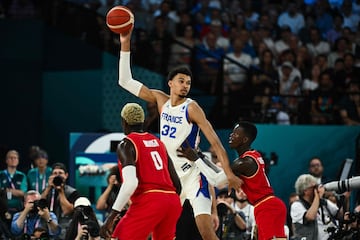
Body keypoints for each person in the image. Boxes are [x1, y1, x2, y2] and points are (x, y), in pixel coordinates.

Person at [116, 25, 241, 239]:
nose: (185, 86)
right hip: (170, 177)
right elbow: (125, 81)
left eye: (189, 83)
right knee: (163, 233)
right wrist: (125, 42)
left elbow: (215, 141)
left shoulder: (191, 107)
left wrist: (228, 173)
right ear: (170, 83)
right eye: (181, 81)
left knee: (206, 232)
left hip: (192, 173)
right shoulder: (160, 99)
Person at [178, 121, 287, 240]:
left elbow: (216, 181)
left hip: (266, 207)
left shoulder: (244, 162)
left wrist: (196, 160)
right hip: (270, 205)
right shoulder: (252, 155)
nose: (231, 136)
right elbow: (222, 173)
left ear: (245, 140)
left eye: (235, 134)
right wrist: (202, 157)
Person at [100, 103, 182, 240]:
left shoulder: (126, 144)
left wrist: (111, 216)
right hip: (172, 201)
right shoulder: (159, 143)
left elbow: (131, 183)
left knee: (119, 236)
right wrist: (165, 204)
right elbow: (177, 184)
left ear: (123, 122)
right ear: (143, 121)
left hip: (150, 200)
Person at [291, 174, 344, 240]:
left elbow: (339, 214)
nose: (317, 189)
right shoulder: (296, 205)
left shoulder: (323, 202)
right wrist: (317, 196)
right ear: (305, 191)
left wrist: (345, 198)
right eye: (314, 187)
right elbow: (310, 217)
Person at [41, 162, 80, 240]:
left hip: (64, 231)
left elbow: (67, 211)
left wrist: (61, 191)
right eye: (55, 173)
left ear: (66, 175)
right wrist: (48, 188)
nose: (57, 175)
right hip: (47, 229)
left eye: (60, 173)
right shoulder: (46, 191)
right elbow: (39, 204)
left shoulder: (73, 192)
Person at [0, 150, 28, 219]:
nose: (13, 160)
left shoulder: (22, 175)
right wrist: (16, 192)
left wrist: (7, 190)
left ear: (18, 160)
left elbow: (23, 193)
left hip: (18, 209)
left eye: (15, 158)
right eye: (11, 158)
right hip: (2, 209)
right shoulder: (1, 174)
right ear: (6, 160)